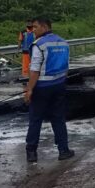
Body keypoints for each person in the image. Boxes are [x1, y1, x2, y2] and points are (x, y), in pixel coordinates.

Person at [23, 17, 75, 163]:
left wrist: (29, 90)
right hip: (58, 86)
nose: (33, 31)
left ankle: (31, 152)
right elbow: (66, 67)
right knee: (58, 118)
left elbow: (34, 70)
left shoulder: (39, 44)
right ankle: (63, 150)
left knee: (36, 119)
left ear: (45, 27)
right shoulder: (64, 43)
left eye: (35, 27)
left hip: (41, 88)